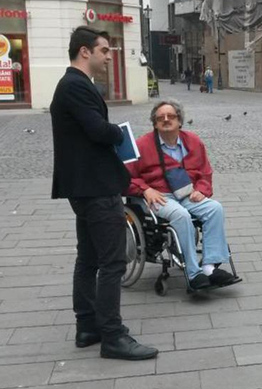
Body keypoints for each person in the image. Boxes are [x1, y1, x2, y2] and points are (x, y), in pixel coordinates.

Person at [50, 26, 158, 361]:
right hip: (96, 188)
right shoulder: (75, 86)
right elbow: (98, 130)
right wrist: (119, 134)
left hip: (84, 186)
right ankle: (113, 336)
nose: (109, 56)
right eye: (104, 50)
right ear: (85, 51)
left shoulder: (73, 85)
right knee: (112, 261)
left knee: (89, 257)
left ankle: (87, 326)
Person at [125, 100, 237, 291]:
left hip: (188, 193)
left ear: (179, 121)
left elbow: (205, 171)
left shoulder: (193, 141)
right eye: (160, 117)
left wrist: (202, 189)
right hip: (160, 196)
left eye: (171, 116)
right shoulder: (142, 145)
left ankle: (210, 267)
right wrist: (145, 189)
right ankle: (193, 273)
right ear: (154, 123)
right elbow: (125, 177)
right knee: (181, 215)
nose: (166, 120)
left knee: (215, 208)